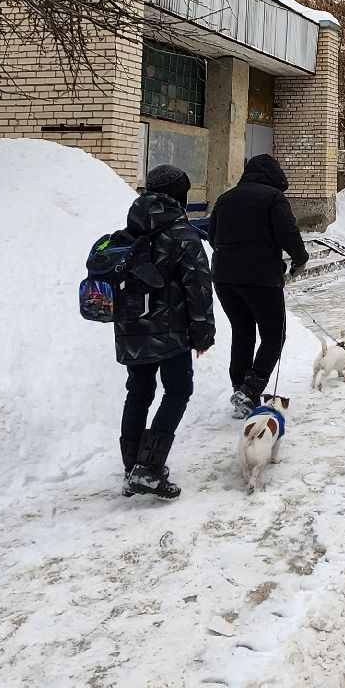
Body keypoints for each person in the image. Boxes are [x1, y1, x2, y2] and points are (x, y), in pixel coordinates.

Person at [116, 165, 216, 500]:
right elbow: (198, 288)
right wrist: (203, 333)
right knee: (178, 390)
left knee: (138, 393)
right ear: (180, 194)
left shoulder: (132, 227)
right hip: (170, 333)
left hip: (131, 326)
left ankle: (132, 467)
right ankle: (148, 469)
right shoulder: (182, 234)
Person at [209, 154, 309, 418]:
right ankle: (251, 390)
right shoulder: (274, 198)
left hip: (224, 279)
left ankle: (239, 386)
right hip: (261, 279)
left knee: (242, 331)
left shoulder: (225, 198)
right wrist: (300, 260)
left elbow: (211, 235)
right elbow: (289, 233)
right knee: (274, 335)